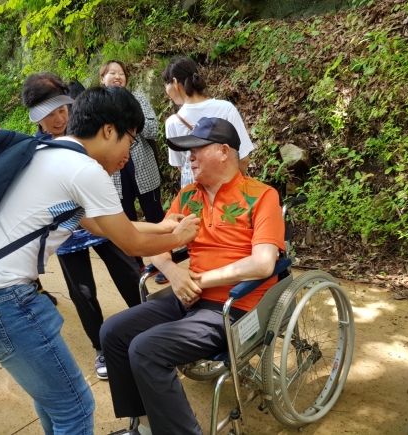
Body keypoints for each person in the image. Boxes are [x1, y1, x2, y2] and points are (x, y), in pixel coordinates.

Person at [0, 85, 200, 435]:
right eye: (130, 139)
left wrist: (161, 226)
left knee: (54, 402)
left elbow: (101, 225)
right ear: (108, 130)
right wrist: (180, 237)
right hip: (1, 300)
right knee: (75, 409)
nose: (128, 153)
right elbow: (130, 243)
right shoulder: (83, 170)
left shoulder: (48, 152)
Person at [100, 117, 285, 435]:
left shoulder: (261, 196)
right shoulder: (187, 197)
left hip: (234, 307)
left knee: (145, 349)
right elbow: (155, 246)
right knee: (114, 331)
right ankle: (144, 427)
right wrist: (174, 273)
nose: (190, 157)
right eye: (188, 151)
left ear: (224, 151)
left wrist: (198, 281)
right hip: (188, 297)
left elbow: (263, 263)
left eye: (197, 149)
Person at [22, 72, 143, 380]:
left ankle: (149, 325)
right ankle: (102, 347)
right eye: (49, 114)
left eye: (62, 109)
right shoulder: (37, 150)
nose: (59, 118)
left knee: (129, 274)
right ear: (36, 116)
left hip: (102, 219)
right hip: (68, 234)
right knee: (83, 292)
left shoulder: (85, 131)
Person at [99, 60, 166, 275]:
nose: (118, 76)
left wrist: (132, 115)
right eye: (112, 73)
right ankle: (137, 265)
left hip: (143, 166)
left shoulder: (138, 99)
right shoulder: (99, 105)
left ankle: (165, 262)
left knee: (155, 216)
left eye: (121, 73)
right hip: (114, 171)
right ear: (102, 79)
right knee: (126, 220)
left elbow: (153, 130)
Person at [162, 57, 255, 189]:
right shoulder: (226, 109)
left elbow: (182, 167)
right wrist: (234, 189)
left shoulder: (172, 123)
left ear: (175, 83)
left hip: (195, 195)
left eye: (166, 83)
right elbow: (243, 159)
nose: (166, 89)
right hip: (228, 190)